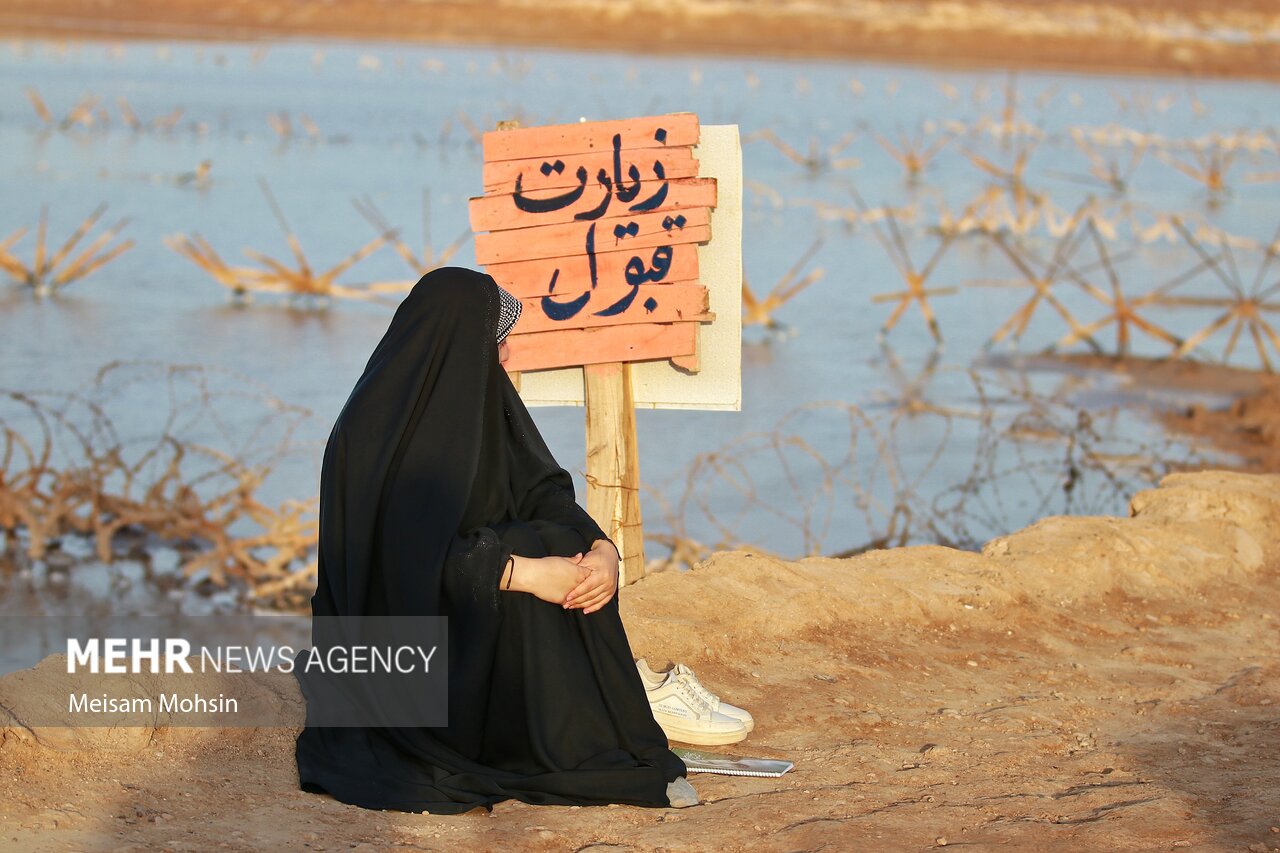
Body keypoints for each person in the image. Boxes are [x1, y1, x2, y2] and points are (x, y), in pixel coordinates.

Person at [293, 266, 697, 813]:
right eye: (497, 341)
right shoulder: (374, 431)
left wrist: (602, 550)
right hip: (406, 648)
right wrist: (524, 573)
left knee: (554, 535)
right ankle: (558, 742)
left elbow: (543, 490)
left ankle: (582, 735)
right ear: (460, 344)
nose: (507, 356)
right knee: (531, 549)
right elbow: (401, 559)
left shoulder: (479, 406)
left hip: (465, 611)